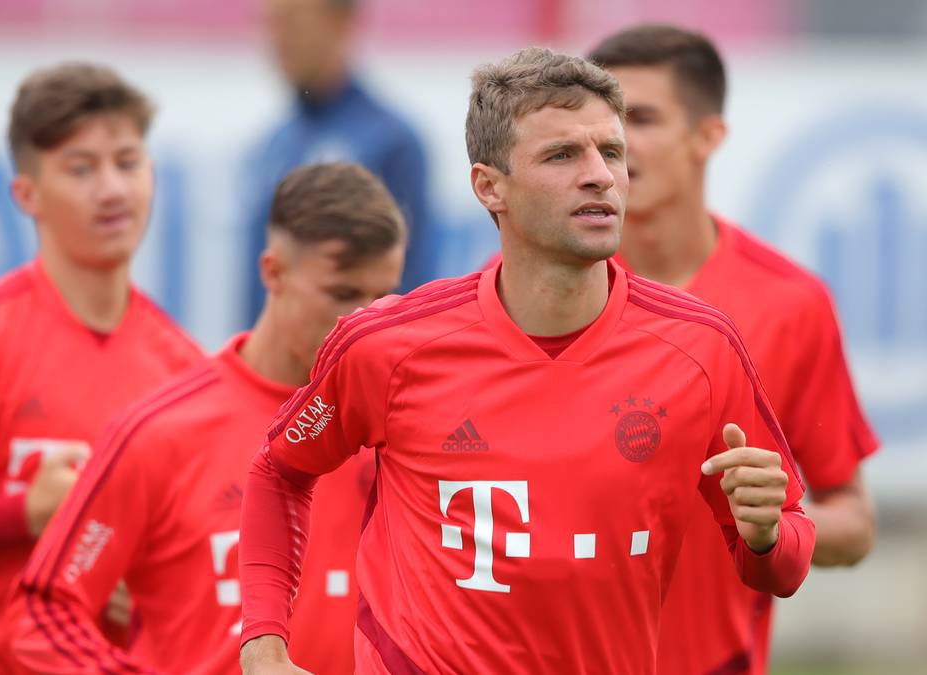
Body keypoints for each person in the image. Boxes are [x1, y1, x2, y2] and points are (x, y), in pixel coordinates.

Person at [237, 47, 816, 675]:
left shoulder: (701, 348)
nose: (600, 175)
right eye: (562, 155)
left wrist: (763, 533)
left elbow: (783, 559)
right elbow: (279, 472)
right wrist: (265, 646)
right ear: (490, 187)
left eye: (611, 153)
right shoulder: (389, 345)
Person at [7, 162, 407, 674]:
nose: (363, 323)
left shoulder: (399, 427)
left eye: (383, 297)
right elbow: (45, 612)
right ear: (273, 272)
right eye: (342, 294)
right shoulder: (162, 431)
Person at [587, 24, 880, 674]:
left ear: (708, 136)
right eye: (601, 122)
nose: (613, 144)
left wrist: (772, 526)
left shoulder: (790, 303)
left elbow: (853, 523)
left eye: (641, 118)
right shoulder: (534, 290)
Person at [0, 63, 203, 672]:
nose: (112, 189)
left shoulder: (183, 370)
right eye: (81, 169)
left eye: (128, 162)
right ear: (26, 194)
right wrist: (22, 512)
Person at [242, 0, 433, 327]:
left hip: (350, 367)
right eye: (272, 24)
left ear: (341, 23)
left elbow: (411, 285)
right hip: (275, 369)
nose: (278, 40)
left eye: (293, 24)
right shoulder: (274, 143)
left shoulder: (390, 142)